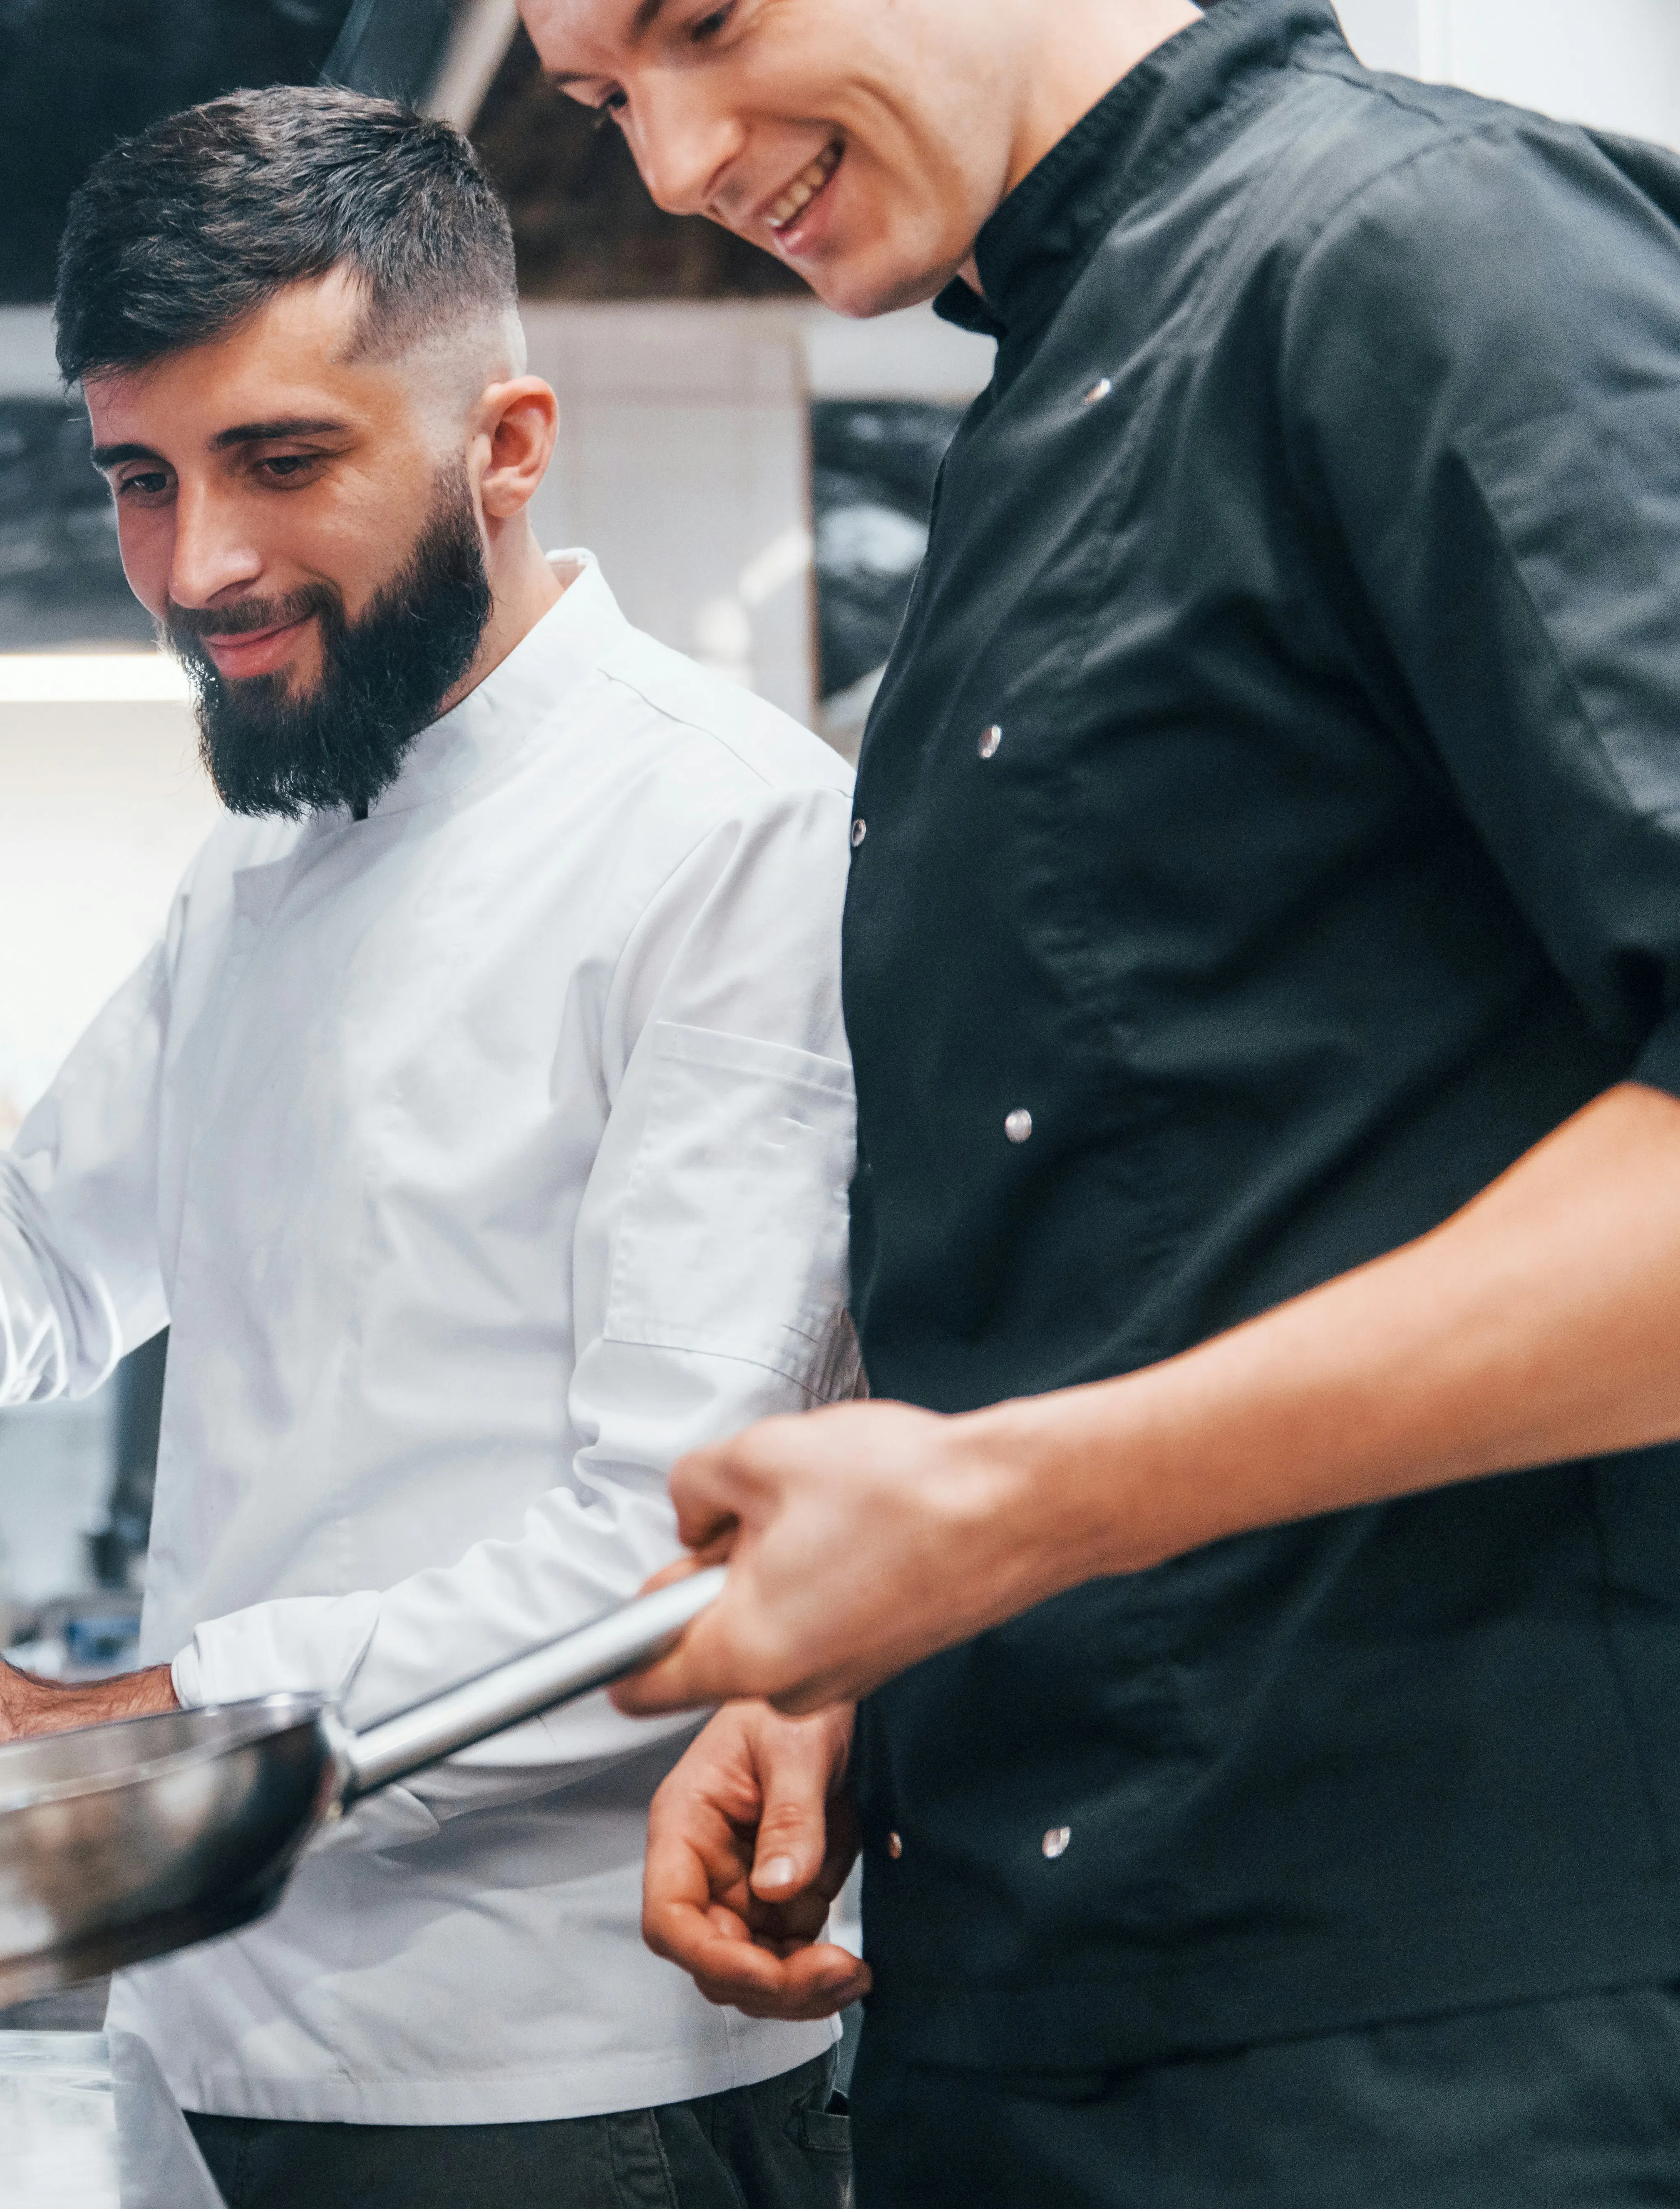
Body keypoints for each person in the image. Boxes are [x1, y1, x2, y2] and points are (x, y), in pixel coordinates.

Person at [0, 87, 861, 2209]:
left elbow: (663, 1557)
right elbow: (61, 1244)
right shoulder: (282, 842)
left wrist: (66, 1733)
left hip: (547, 2085)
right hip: (207, 2031)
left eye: (281, 464)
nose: (198, 570)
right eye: (139, 481)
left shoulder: (725, 839)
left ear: (505, 446)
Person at [515, 0, 1680, 2198]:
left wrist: (1018, 1509)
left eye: (700, 20)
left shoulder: (1418, 255)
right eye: (595, 102)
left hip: (1445, 2066)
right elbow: (1191, 1213)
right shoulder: (1041, 406)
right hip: (1042, 2017)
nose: (669, 157)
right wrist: (899, 1654)